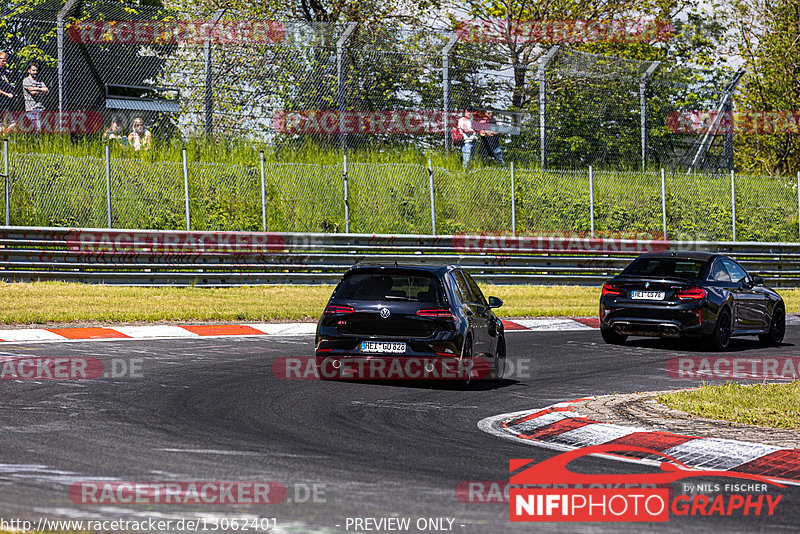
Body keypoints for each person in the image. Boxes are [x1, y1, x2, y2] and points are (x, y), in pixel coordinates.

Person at [22, 62, 48, 131]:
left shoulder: (39, 81)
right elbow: (33, 93)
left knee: (43, 129)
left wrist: (36, 88)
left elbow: (47, 90)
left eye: (36, 70)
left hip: (41, 108)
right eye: (33, 70)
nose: (35, 72)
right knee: (37, 128)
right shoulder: (26, 80)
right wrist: (42, 92)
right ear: (29, 70)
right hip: (31, 109)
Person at [0, 52, 16, 134]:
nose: (5, 63)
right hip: (1, 102)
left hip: (7, 103)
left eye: (6, 61)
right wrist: (7, 94)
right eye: (3, 61)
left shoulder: (5, 72)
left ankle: (4, 137)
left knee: (13, 123)